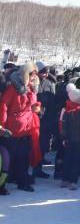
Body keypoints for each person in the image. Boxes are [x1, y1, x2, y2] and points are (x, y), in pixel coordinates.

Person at [0, 62, 38, 191]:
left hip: (26, 129)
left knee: (23, 158)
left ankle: (22, 182)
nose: (34, 77)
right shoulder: (12, 88)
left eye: (35, 75)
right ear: (25, 74)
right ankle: (3, 184)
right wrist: (2, 126)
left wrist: (37, 106)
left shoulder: (31, 88)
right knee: (8, 160)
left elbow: (32, 105)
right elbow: (3, 107)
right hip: (12, 131)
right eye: (32, 74)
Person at [60, 83, 80, 190]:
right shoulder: (68, 110)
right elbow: (64, 125)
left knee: (75, 160)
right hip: (71, 140)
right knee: (68, 159)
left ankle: (73, 180)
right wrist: (64, 138)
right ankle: (66, 178)